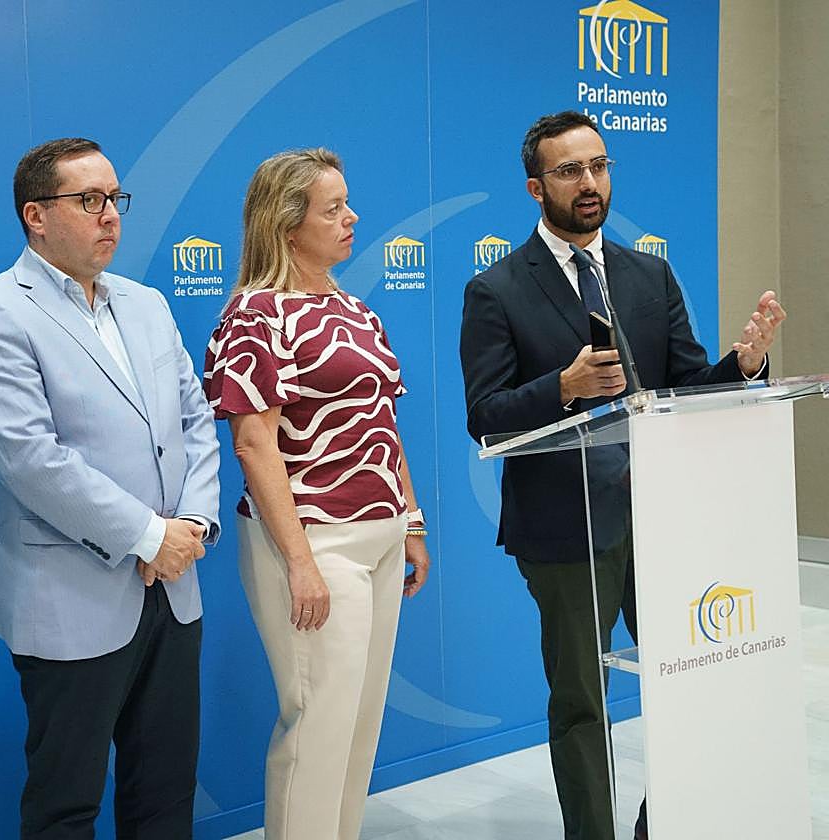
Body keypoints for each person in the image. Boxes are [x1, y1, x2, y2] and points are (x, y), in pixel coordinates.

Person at [459, 110, 785, 840]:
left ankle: (659, 825)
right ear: (534, 187)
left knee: (690, 684)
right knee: (584, 702)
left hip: (666, 517)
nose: (589, 183)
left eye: (599, 166)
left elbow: (687, 387)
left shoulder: (647, 272)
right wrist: (565, 387)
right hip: (567, 527)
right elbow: (485, 415)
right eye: (570, 171)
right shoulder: (498, 289)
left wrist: (748, 365)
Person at [0, 137, 220, 840]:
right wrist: (147, 535)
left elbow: (195, 420)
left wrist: (192, 524)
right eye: (89, 200)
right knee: (65, 804)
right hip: (71, 592)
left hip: (173, 584)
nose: (110, 215)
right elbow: (30, 459)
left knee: (164, 791)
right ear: (36, 216)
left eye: (115, 199)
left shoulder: (148, 304)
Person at [203, 148, 431, 840]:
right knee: (318, 727)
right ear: (287, 224)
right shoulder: (254, 315)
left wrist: (410, 523)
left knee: (358, 729)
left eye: (346, 203)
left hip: (382, 538)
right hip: (313, 541)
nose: (351, 217)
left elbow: (381, 426)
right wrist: (299, 561)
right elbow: (253, 445)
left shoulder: (355, 310)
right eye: (333, 208)